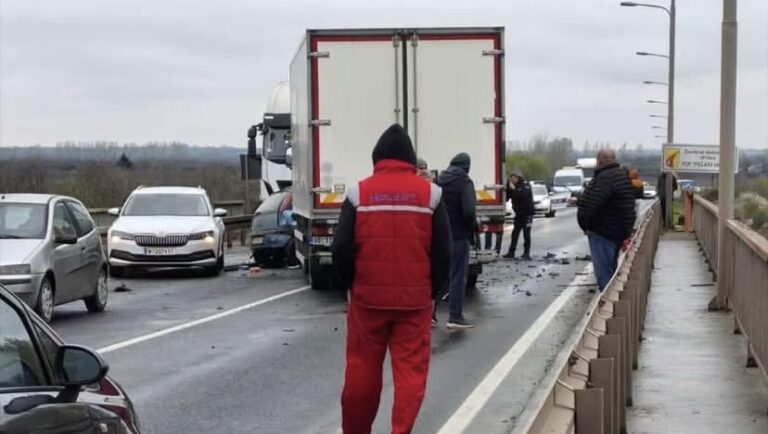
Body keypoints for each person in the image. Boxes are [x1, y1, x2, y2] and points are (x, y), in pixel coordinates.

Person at [332, 124, 451, 434]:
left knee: (362, 371)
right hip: (414, 303)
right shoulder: (432, 195)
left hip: (367, 301)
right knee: (410, 374)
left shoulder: (358, 193)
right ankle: (401, 430)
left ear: (377, 158)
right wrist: (434, 292)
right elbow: (443, 251)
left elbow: (341, 247)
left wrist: (349, 285)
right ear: (411, 160)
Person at [577, 149, 636, 291]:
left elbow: (593, 204)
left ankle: (608, 310)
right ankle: (613, 305)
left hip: (603, 233)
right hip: (617, 232)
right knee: (612, 272)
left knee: (605, 278)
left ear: (600, 161)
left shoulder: (605, 178)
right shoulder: (621, 176)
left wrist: (588, 225)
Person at [437, 152, 477, 329]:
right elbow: (469, 211)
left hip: (440, 235)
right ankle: (455, 316)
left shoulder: (439, 181)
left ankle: (431, 315)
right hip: (458, 235)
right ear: (466, 166)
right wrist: (470, 230)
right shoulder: (465, 182)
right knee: (457, 276)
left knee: (438, 276)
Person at [503, 170, 534, 260]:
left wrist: (514, 189)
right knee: (515, 233)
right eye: (511, 178)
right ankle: (511, 252)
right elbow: (507, 198)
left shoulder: (525, 185)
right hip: (519, 214)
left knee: (526, 233)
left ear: (518, 178)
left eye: (513, 178)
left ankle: (526, 253)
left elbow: (523, 195)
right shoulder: (513, 186)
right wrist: (506, 189)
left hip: (527, 214)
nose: (512, 180)